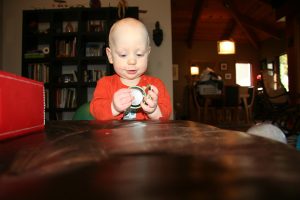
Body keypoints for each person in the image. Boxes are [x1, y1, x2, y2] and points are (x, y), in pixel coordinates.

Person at [90, 18, 172, 120]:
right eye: (123, 55)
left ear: (147, 54)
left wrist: (154, 111)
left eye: (139, 54)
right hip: (113, 136)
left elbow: (167, 113)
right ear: (110, 56)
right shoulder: (105, 84)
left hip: (148, 136)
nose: (132, 61)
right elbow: (95, 111)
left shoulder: (155, 86)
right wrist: (114, 107)